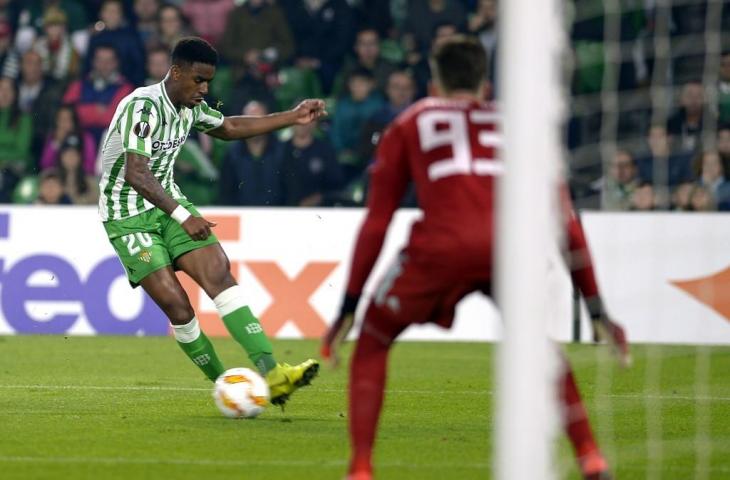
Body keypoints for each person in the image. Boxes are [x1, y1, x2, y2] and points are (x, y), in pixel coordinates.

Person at [320, 36, 629, 480]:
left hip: (440, 248)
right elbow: (566, 222)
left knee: (372, 339)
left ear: (434, 82)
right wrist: (597, 307)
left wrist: (347, 305)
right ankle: (590, 455)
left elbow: (377, 221)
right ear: (485, 83)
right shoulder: (521, 125)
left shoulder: (409, 122)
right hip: (511, 248)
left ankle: (362, 469)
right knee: (540, 348)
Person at [97, 37, 326, 405]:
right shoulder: (142, 107)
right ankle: (226, 384)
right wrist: (183, 215)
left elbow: (229, 128)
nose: (204, 89)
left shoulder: (189, 106)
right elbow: (136, 174)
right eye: (198, 80)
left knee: (218, 272)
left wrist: (292, 116)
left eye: (209, 82)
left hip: (167, 204)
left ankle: (275, 374)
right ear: (176, 72)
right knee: (178, 307)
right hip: (127, 217)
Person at [217, 101, 285, 206]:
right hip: (241, 217)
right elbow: (226, 194)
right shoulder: (232, 154)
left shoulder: (282, 151)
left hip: (278, 216)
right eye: (249, 120)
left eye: (258, 120)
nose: (254, 126)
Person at [40, 104, 97, 174]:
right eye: (61, 119)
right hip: (58, 178)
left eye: (67, 119)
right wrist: (57, 142)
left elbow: (90, 166)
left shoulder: (85, 138)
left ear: (74, 121)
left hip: (79, 178)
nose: (64, 123)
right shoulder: (53, 138)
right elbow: (45, 165)